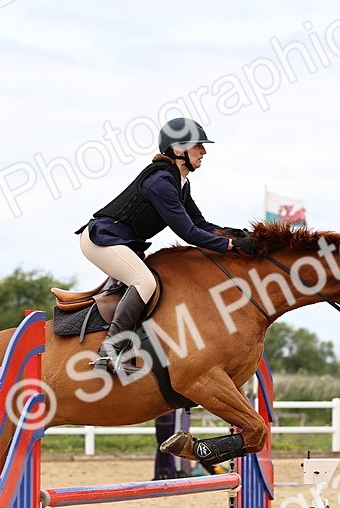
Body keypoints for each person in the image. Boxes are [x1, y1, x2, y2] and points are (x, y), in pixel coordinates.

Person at [76, 118, 258, 373]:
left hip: (120, 242)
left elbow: (200, 223)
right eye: (198, 146)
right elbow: (189, 233)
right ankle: (109, 352)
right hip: (101, 239)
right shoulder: (160, 183)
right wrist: (230, 246)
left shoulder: (180, 183)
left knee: (149, 282)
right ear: (179, 149)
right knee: (145, 282)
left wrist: (236, 235)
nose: (204, 152)